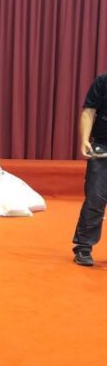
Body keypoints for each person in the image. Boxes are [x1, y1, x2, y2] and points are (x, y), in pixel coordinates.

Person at [72, 71, 107, 266]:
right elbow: (89, 111)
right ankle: (84, 246)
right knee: (95, 198)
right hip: (102, 147)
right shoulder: (103, 81)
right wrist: (85, 139)